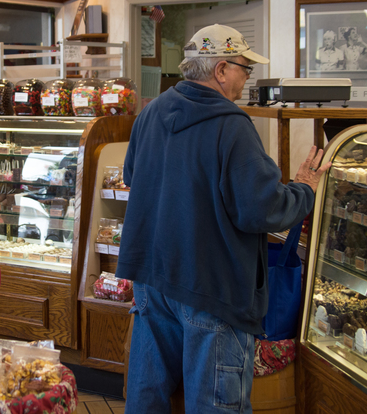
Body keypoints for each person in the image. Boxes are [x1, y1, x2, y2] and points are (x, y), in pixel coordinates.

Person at [118, 24, 331, 414]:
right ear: (220, 69)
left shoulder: (152, 113)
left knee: (146, 398)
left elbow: (133, 177)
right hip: (213, 287)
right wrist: (305, 189)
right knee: (216, 406)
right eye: (244, 68)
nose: (247, 77)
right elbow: (261, 210)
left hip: (152, 278)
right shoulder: (232, 125)